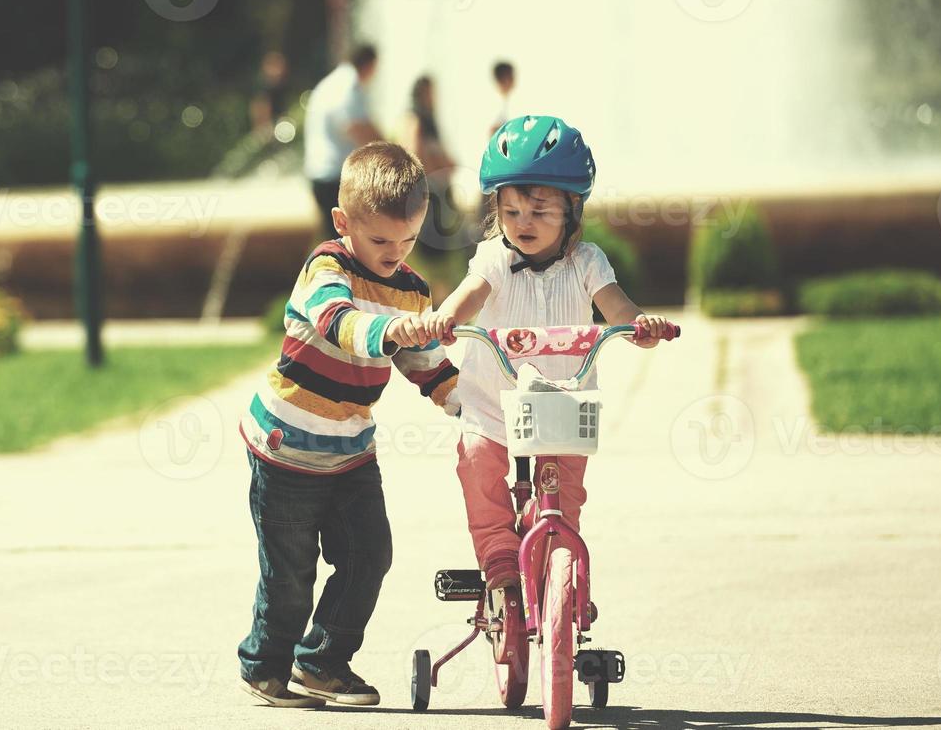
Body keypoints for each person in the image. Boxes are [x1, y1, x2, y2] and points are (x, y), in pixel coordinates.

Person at [413, 116, 675, 598]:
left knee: (565, 492)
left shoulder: (587, 262)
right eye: (510, 212)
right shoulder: (493, 257)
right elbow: (469, 295)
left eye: (538, 211)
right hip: (493, 405)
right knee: (476, 460)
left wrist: (641, 326)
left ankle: (559, 552)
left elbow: (617, 306)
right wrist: (443, 318)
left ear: (572, 209)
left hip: (562, 406)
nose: (523, 223)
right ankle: (498, 558)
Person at [239, 142, 462, 709]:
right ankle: (265, 665)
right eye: (381, 240)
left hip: (350, 449)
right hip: (286, 446)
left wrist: (462, 399)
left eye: (407, 240)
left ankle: (322, 663)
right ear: (343, 223)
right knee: (291, 572)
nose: (394, 253)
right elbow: (338, 321)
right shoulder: (326, 267)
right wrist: (388, 334)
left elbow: (426, 363)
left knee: (369, 554)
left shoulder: (412, 290)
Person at [303, 44, 382, 240]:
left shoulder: (332, 82)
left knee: (338, 241)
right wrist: (389, 152)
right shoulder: (348, 85)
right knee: (347, 242)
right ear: (369, 65)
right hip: (334, 177)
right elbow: (355, 126)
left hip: (322, 173)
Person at [400, 75, 463, 254]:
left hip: (437, 184)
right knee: (432, 239)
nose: (434, 96)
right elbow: (413, 149)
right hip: (429, 185)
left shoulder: (428, 117)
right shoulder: (415, 116)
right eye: (430, 92)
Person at [250, 50, 290, 136]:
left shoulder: (281, 87)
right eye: (275, 66)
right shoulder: (261, 88)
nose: (279, 70)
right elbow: (259, 116)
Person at [488, 60, 517, 138]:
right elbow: (492, 131)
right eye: (511, 76)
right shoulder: (493, 103)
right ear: (505, 79)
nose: (514, 80)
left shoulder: (509, 100)